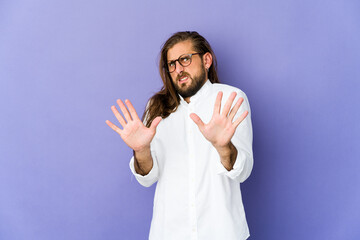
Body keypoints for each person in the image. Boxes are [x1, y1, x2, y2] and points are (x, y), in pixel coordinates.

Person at [105, 31, 254, 240]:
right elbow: (148, 178)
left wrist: (223, 147)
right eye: (172, 64)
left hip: (221, 231)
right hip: (168, 233)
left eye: (185, 59)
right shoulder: (156, 108)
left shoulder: (232, 98)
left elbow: (242, 172)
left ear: (206, 60)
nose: (178, 69)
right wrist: (141, 150)